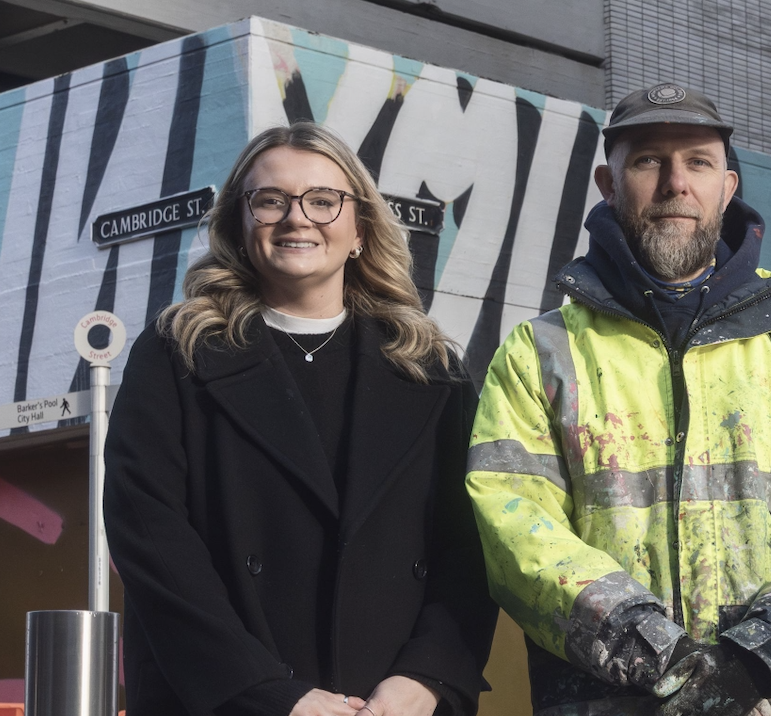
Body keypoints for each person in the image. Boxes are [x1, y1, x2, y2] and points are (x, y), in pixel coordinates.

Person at [466, 83, 771, 716]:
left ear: (728, 185)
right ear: (607, 184)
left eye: (698, 161)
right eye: (647, 161)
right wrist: (653, 651)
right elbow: (514, 527)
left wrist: (761, 656)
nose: (675, 183)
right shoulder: (540, 353)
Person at [104, 122, 496, 716]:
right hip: (229, 698)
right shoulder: (177, 353)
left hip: (390, 703)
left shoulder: (430, 367)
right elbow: (150, 538)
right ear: (241, 222)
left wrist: (428, 675)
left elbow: (470, 544)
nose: (297, 218)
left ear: (359, 227)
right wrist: (267, 693)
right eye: (270, 200)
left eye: (323, 200)